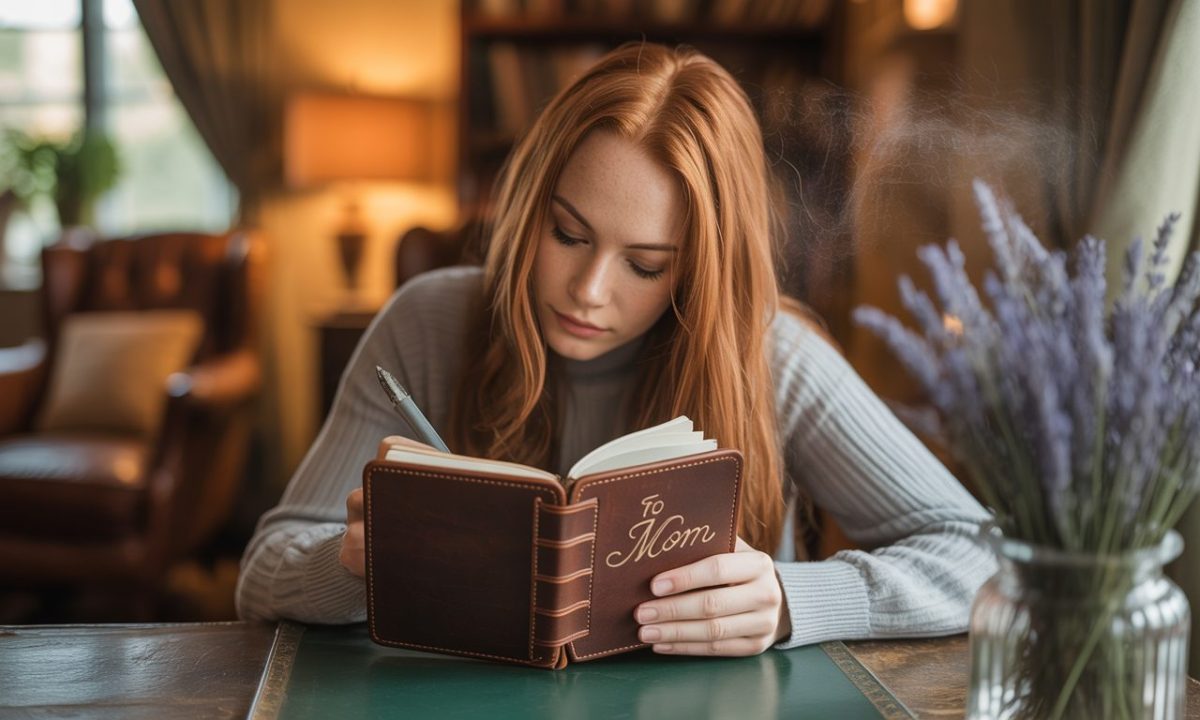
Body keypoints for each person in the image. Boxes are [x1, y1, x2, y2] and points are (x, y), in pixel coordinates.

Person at [237, 42, 995, 657]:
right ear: (530, 202)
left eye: (645, 265)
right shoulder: (428, 321)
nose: (589, 290)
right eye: (567, 234)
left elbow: (979, 553)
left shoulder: (768, 352)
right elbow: (263, 571)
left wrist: (796, 600)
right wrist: (356, 566)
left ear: (698, 270)